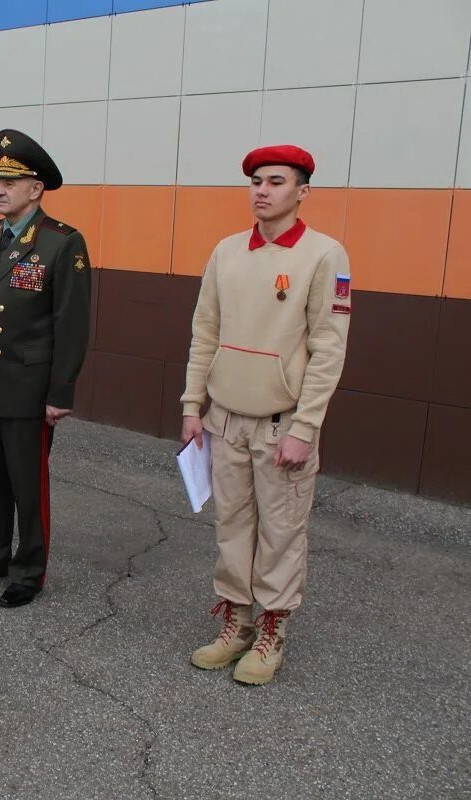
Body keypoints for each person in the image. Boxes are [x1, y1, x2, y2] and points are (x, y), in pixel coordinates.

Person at [181, 145, 352, 686]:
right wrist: (192, 406)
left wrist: (306, 428)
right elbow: (204, 330)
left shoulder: (324, 255)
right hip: (225, 418)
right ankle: (236, 623)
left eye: (276, 182)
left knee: (281, 531)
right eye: (256, 180)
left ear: (302, 192)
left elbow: (329, 347)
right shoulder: (227, 252)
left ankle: (273, 629)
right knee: (232, 526)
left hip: (283, 424)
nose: (262, 190)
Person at [0, 129, 93, 609]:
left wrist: (62, 391)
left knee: (26, 482)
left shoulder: (61, 243)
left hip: (29, 384)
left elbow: (71, 323)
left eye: (11, 181)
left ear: (36, 189)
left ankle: (28, 569)